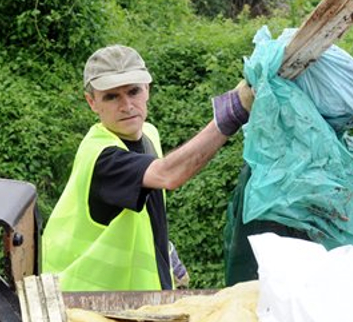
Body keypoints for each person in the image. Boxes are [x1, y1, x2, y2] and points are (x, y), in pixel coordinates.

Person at [42, 44, 253, 291]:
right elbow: (168, 175)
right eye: (111, 96)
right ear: (92, 102)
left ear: (147, 90)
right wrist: (231, 115)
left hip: (129, 296)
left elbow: (138, 208)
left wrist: (162, 246)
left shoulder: (148, 135)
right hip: (82, 300)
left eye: (133, 92)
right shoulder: (102, 156)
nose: (126, 105)